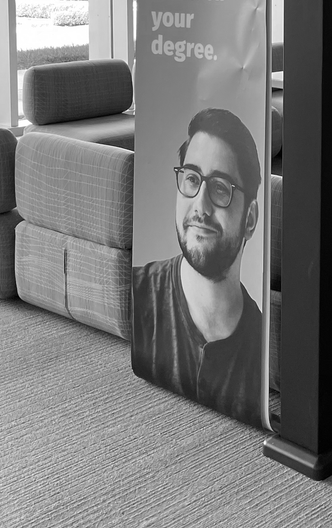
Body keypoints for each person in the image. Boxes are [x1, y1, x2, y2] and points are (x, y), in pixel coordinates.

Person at [133, 107, 263, 426]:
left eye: (220, 188)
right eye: (192, 179)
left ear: (250, 219)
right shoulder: (138, 294)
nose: (200, 206)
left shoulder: (266, 345)